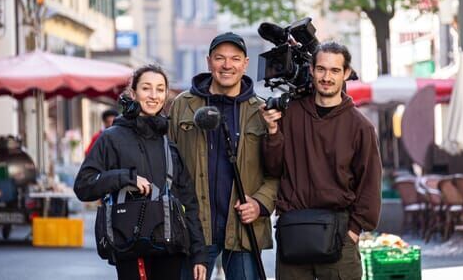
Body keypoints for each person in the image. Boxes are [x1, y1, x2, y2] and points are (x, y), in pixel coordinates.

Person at [260, 42, 382, 280]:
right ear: (311, 70)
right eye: (321, 69)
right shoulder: (289, 114)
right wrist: (273, 132)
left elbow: (370, 183)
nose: (327, 77)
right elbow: (273, 169)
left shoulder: (361, 127)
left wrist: (354, 231)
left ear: (346, 73)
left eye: (335, 70)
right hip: (293, 230)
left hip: (340, 232)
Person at [74, 64, 208, 280]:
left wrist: (199, 255)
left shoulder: (169, 143)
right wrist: (125, 177)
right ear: (133, 93)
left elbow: (189, 202)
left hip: (169, 248)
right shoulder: (111, 138)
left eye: (160, 89)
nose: (154, 95)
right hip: (129, 243)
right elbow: (83, 185)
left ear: (166, 95)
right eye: (146, 88)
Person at [169, 32, 278, 280]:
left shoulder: (260, 111)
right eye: (220, 58)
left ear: (245, 63)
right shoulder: (182, 106)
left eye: (234, 58)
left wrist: (260, 204)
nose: (227, 65)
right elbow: (167, 163)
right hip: (194, 230)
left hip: (242, 229)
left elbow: (277, 171)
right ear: (209, 62)